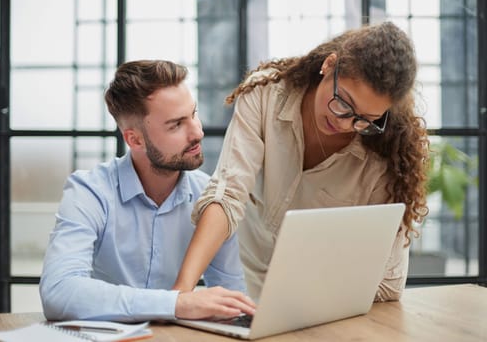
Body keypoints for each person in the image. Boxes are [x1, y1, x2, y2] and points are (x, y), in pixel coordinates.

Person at [173, 22, 429, 301]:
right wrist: (180, 294)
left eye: (365, 120)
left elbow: (389, 282)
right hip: (240, 289)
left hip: (317, 302)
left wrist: (309, 300)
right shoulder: (265, 95)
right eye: (343, 101)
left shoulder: (384, 154)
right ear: (330, 65)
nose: (344, 123)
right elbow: (227, 193)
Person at [39, 60, 256, 322]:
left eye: (194, 114)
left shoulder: (211, 198)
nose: (197, 132)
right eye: (176, 125)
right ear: (134, 139)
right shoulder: (89, 191)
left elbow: (234, 300)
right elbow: (59, 292)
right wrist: (175, 304)